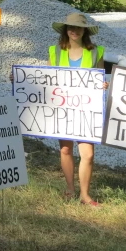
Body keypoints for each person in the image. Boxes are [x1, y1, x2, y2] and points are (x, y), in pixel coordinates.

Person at [49, 13, 105, 207]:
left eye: (78, 27)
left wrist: (102, 85)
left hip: (86, 109)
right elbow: (47, 78)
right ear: (65, 30)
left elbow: (100, 77)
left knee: (87, 153)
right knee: (65, 149)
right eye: (70, 27)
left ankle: (85, 195)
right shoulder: (55, 51)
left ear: (85, 31)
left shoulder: (96, 51)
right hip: (63, 107)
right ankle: (70, 189)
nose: (74, 30)